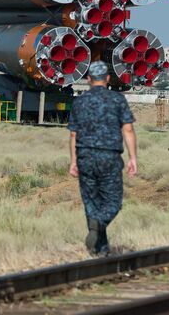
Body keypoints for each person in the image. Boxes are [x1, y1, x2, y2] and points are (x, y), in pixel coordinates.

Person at [67, 61, 137, 256]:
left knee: (91, 201)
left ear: (88, 79)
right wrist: (133, 158)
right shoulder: (117, 100)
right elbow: (128, 129)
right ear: (107, 78)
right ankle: (100, 234)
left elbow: (73, 134)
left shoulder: (79, 102)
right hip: (109, 156)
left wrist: (73, 161)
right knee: (113, 201)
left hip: (85, 156)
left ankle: (100, 248)